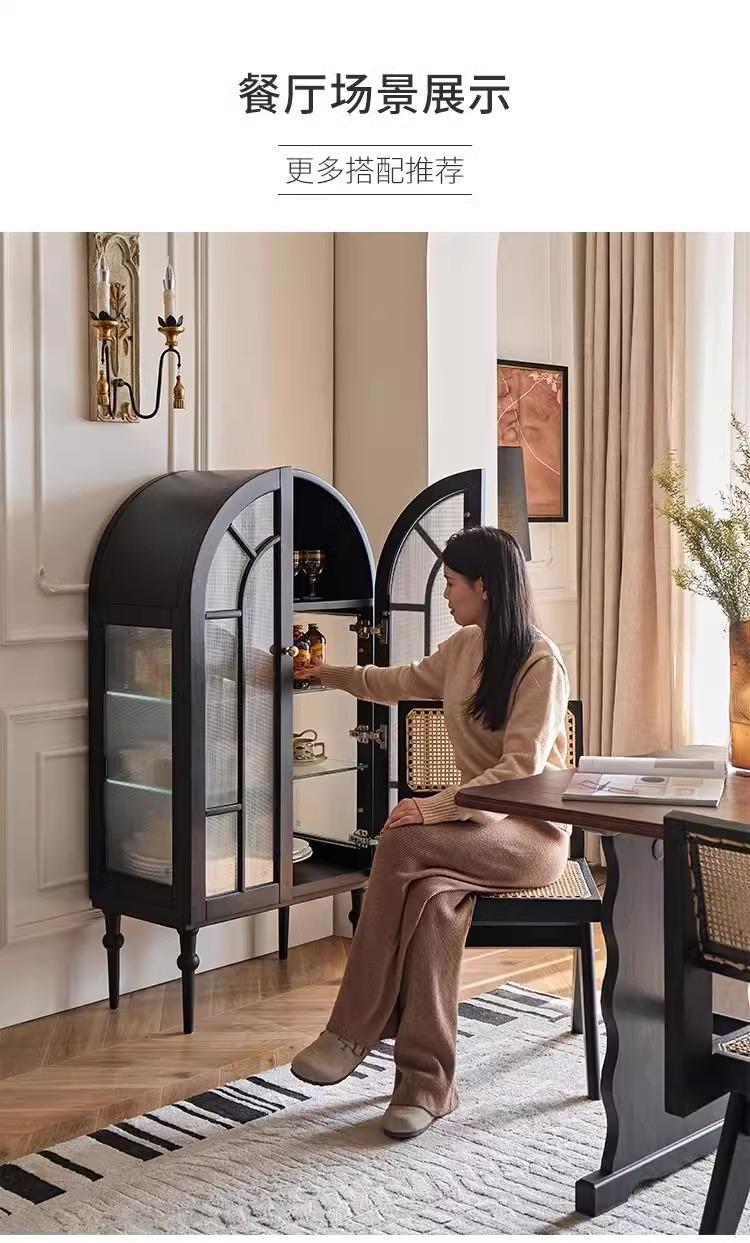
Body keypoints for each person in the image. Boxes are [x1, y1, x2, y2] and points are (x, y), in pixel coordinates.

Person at [290, 525, 571, 1141]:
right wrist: (328, 673)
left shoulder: (540, 662)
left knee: (402, 838)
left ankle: (350, 1031)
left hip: (532, 835)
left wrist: (435, 806)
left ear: (484, 587)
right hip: (476, 832)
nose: (445, 594)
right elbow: (399, 681)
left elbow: (518, 772)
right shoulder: (466, 647)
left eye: (451, 582)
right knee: (432, 901)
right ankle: (426, 1086)